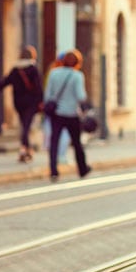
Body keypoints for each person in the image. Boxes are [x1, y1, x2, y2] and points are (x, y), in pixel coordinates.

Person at [0, 45, 43, 163]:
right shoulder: (33, 69)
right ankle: (23, 149)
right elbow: (39, 88)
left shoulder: (16, 70)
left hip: (18, 102)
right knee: (26, 126)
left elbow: (3, 84)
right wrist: (41, 102)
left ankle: (26, 149)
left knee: (24, 126)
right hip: (31, 103)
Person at [44, 49, 91, 181]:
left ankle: (53, 170)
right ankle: (82, 169)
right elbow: (81, 96)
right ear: (77, 62)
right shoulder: (77, 76)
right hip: (71, 114)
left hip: (57, 114)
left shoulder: (54, 73)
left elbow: (48, 94)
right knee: (76, 143)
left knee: (54, 142)